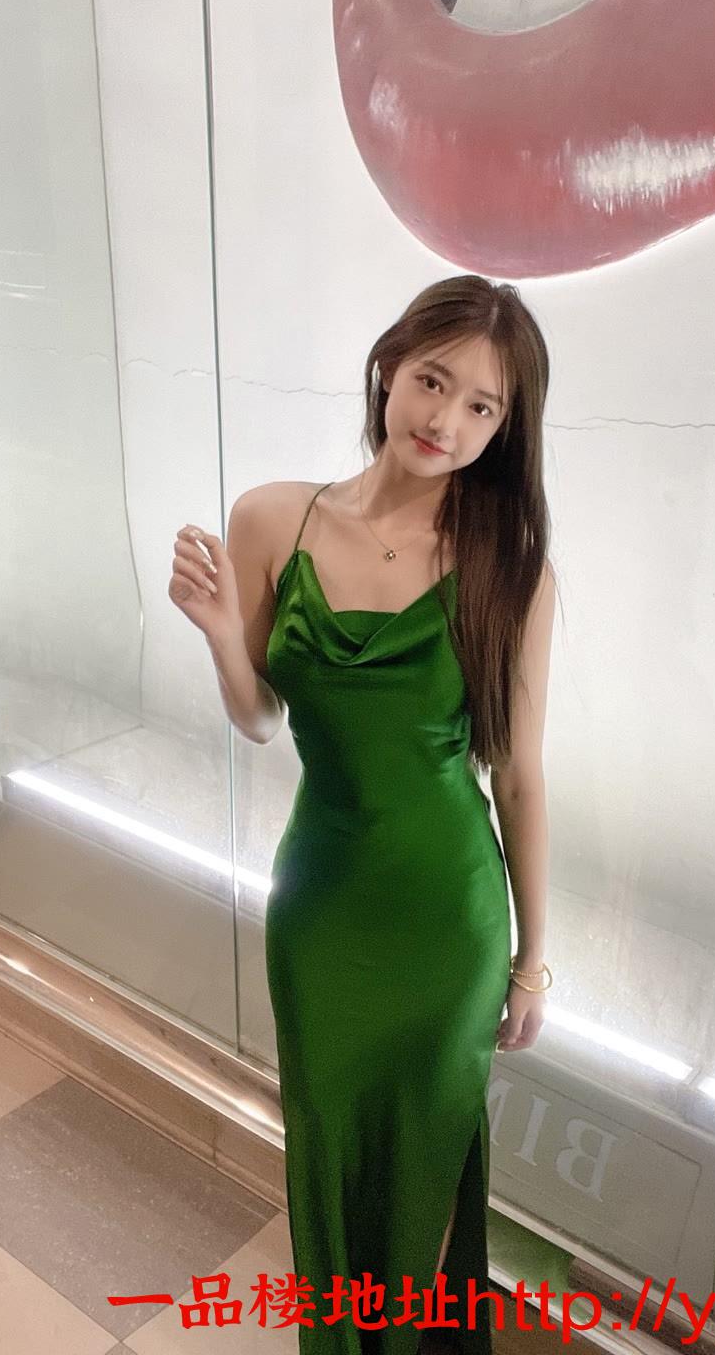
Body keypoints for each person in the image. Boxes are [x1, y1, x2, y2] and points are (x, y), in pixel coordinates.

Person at [169, 274, 556, 1353]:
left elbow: (521, 777)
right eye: (433, 381)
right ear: (389, 365)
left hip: (447, 916)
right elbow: (262, 719)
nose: (446, 420)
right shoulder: (272, 518)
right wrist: (222, 635)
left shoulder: (510, 570)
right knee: (330, 1149)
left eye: (482, 406)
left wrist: (532, 961)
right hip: (322, 906)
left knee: (427, 1156)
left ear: (506, 428)